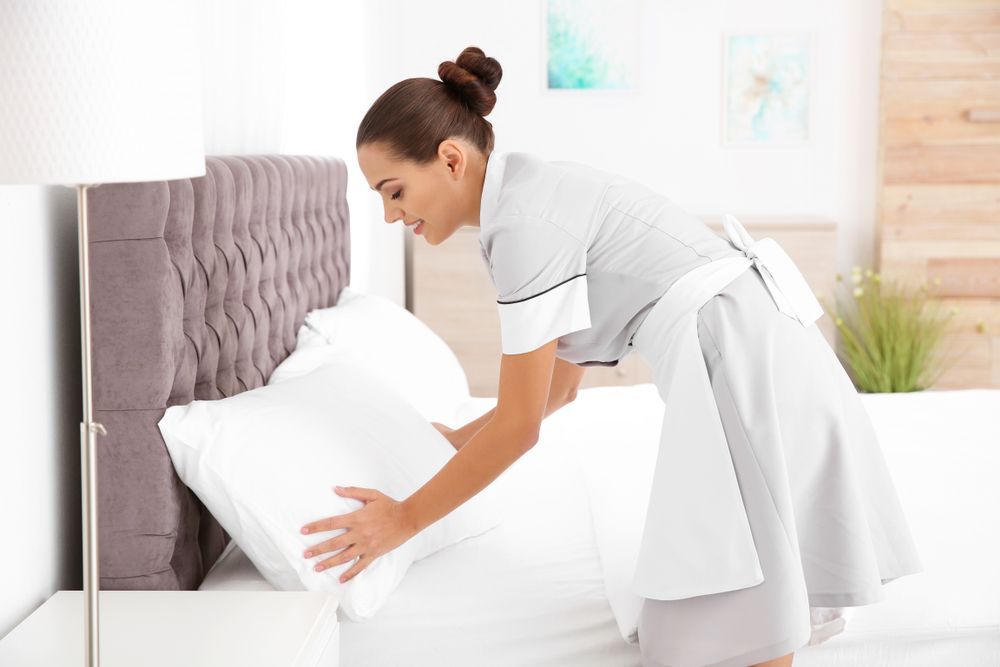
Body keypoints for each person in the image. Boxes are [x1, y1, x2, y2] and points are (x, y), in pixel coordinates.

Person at [297, 45, 923, 667]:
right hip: (757, 333)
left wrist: (403, 521)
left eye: (394, 189)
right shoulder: (531, 191)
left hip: (739, 349)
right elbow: (557, 394)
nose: (388, 213)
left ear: (451, 159)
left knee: (744, 601)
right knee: (747, 583)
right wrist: (456, 439)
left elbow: (519, 427)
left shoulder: (522, 227)